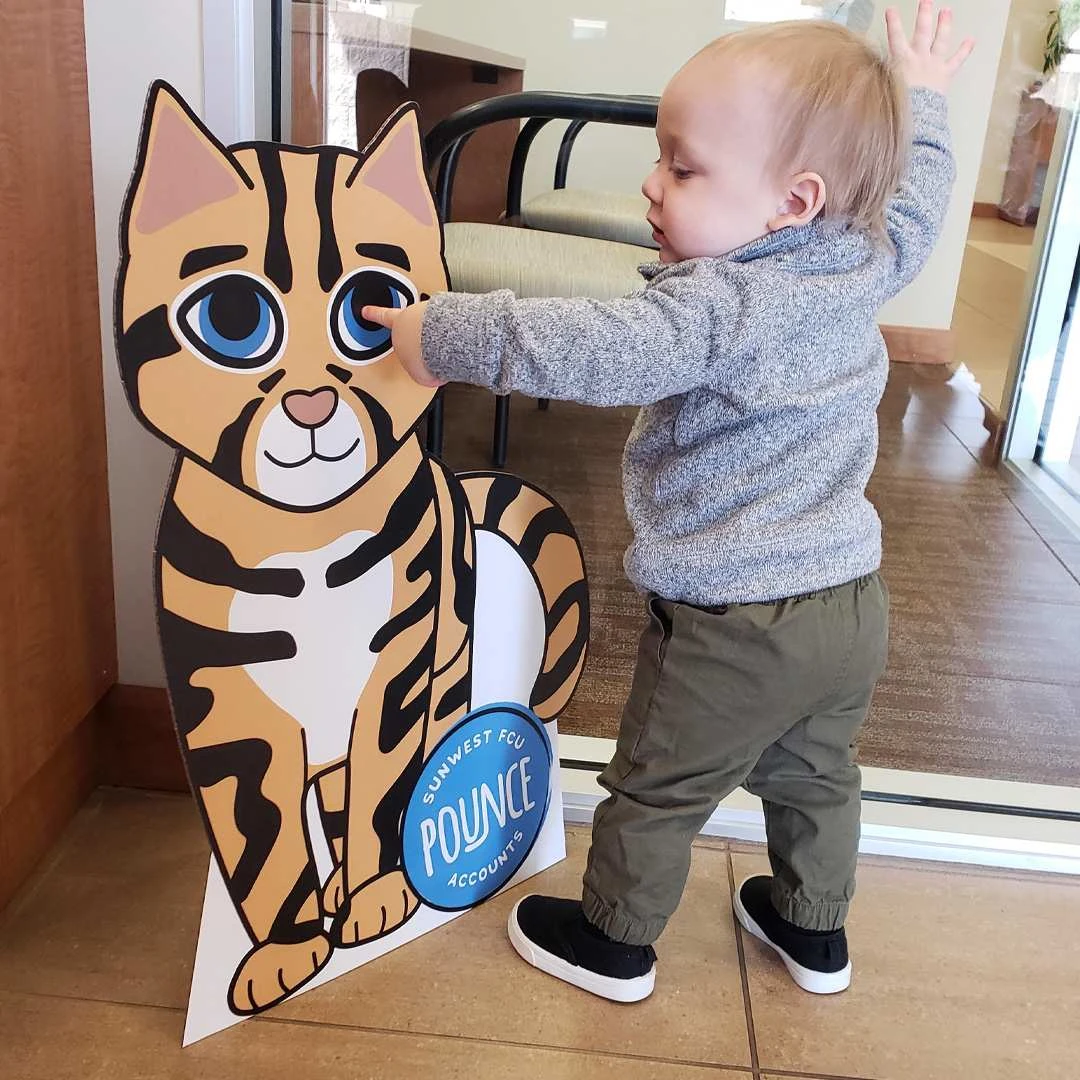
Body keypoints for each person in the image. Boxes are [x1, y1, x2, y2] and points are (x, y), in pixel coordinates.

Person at [363, 2, 974, 1002]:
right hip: (851, 605)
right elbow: (921, 200)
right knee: (818, 774)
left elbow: (592, 348)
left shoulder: (719, 305)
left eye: (684, 169)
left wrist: (445, 337)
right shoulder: (865, 257)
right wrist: (931, 100)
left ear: (793, 199)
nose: (652, 184)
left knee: (656, 784)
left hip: (730, 624)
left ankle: (615, 942)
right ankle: (813, 929)